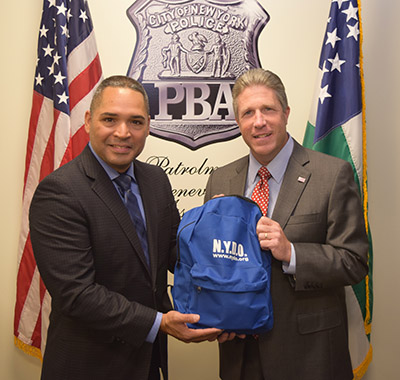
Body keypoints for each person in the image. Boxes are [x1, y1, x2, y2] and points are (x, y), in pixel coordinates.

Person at [29, 75, 221, 380]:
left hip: (147, 363)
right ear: (89, 120)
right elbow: (77, 294)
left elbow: (173, 253)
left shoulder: (156, 180)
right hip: (89, 365)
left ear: (148, 126)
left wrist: (214, 232)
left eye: (135, 122)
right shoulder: (59, 192)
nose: (123, 133)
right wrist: (159, 323)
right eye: (110, 119)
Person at [204, 68, 369, 380]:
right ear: (238, 122)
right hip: (240, 355)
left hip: (310, 356)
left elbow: (354, 262)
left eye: (268, 109)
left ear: (286, 113)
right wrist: (216, 313)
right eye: (248, 113)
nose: (259, 121)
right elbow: (215, 266)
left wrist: (291, 252)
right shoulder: (220, 179)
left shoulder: (332, 174)